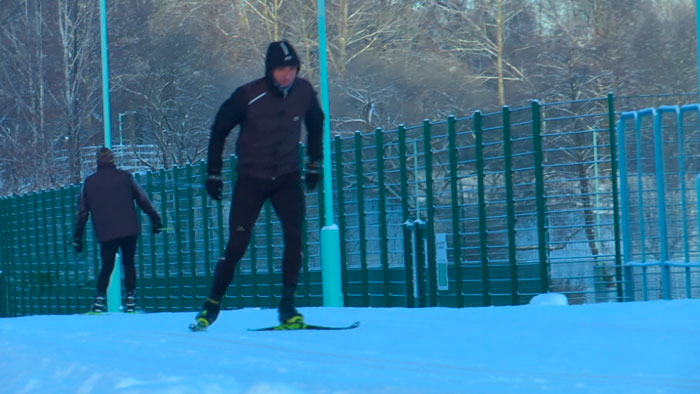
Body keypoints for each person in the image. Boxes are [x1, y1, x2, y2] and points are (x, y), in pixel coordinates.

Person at [194, 40, 323, 329]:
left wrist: (315, 162)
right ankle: (212, 304)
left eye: (291, 68)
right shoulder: (248, 95)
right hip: (251, 179)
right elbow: (219, 129)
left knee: (294, 238)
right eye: (280, 69)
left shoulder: (303, 92)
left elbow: (316, 121)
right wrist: (213, 173)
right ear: (270, 70)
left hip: (287, 177)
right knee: (237, 244)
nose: (286, 75)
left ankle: (288, 306)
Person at [73, 147, 163, 313]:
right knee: (129, 263)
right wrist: (155, 219)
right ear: (113, 160)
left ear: (97, 162)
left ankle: (99, 301)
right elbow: (142, 199)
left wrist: (77, 237)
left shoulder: (89, 183)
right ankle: (130, 300)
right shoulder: (125, 177)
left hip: (105, 230)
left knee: (107, 264)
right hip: (129, 227)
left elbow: (82, 212)